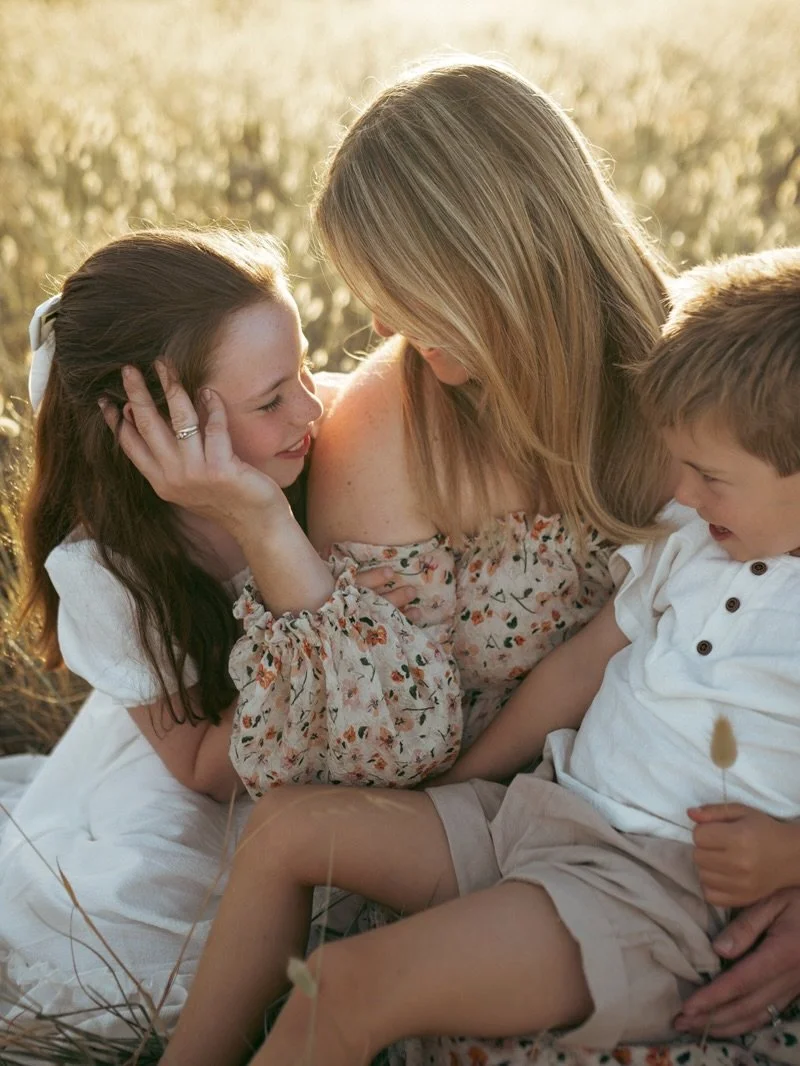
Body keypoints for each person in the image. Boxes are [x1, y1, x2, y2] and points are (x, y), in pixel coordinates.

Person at [155, 247, 800, 1066]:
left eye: (710, 476)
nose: (682, 495)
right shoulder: (697, 548)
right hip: (545, 807)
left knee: (346, 983)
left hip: (652, 886)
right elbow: (580, 669)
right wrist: (459, 787)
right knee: (286, 827)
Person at [0, 226, 408, 1032]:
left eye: (300, 370)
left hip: (360, 712)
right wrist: (260, 526)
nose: (309, 407)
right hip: (210, 757)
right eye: (270, 399)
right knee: (140, 905)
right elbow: (198, 768)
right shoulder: (106, 566)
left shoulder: (317, 430)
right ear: (154, 422)